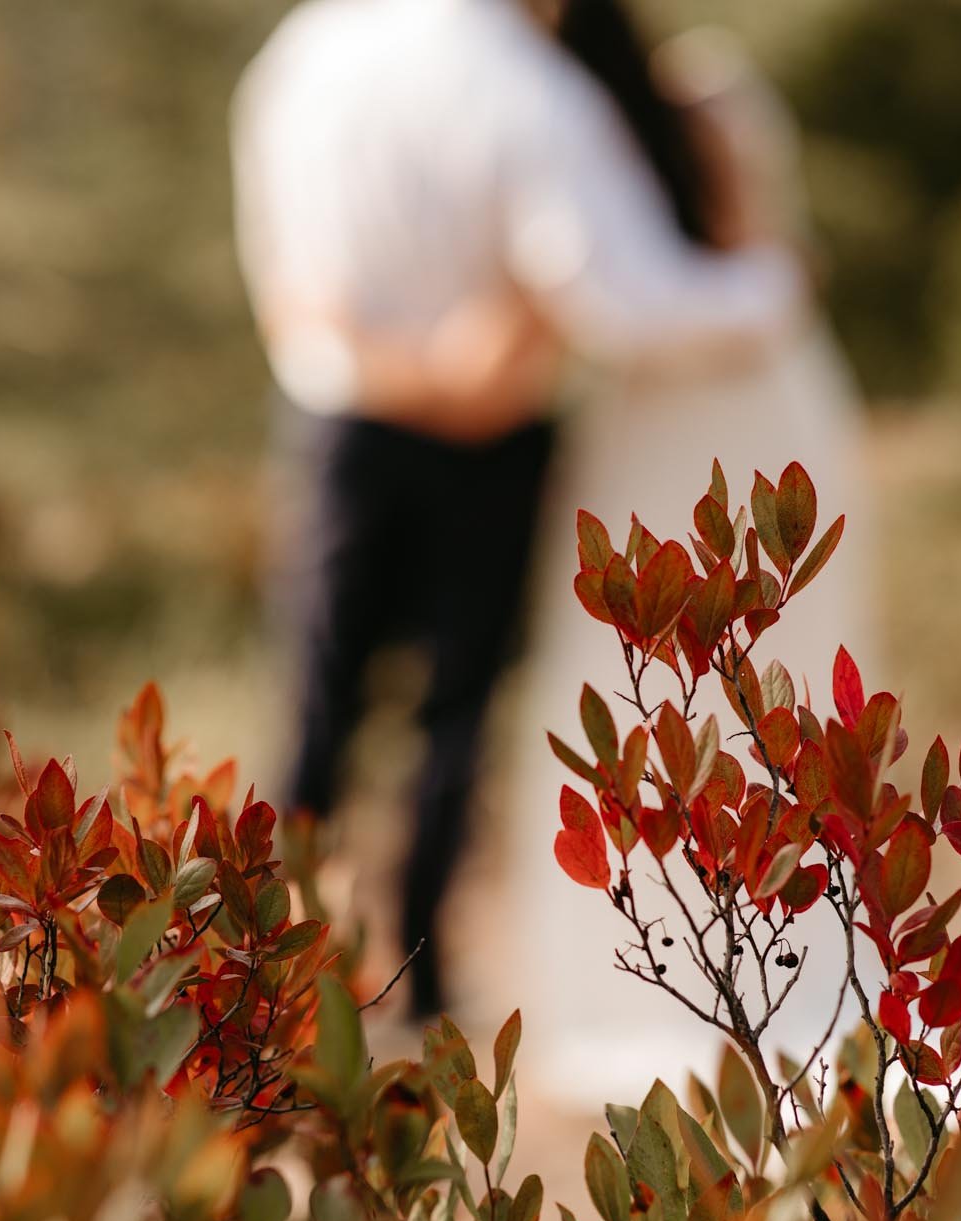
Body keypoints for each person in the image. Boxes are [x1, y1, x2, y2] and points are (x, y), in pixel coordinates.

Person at [282, 1, 874, 1096]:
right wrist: (775, 285)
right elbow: (610, 291)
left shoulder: (309, 47)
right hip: (496, 424)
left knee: (320, 702)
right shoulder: (518, 79)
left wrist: (331, 351)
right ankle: (418, 979)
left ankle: (262, 964)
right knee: (451, 712)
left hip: (344, 414)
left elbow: (282, 239)